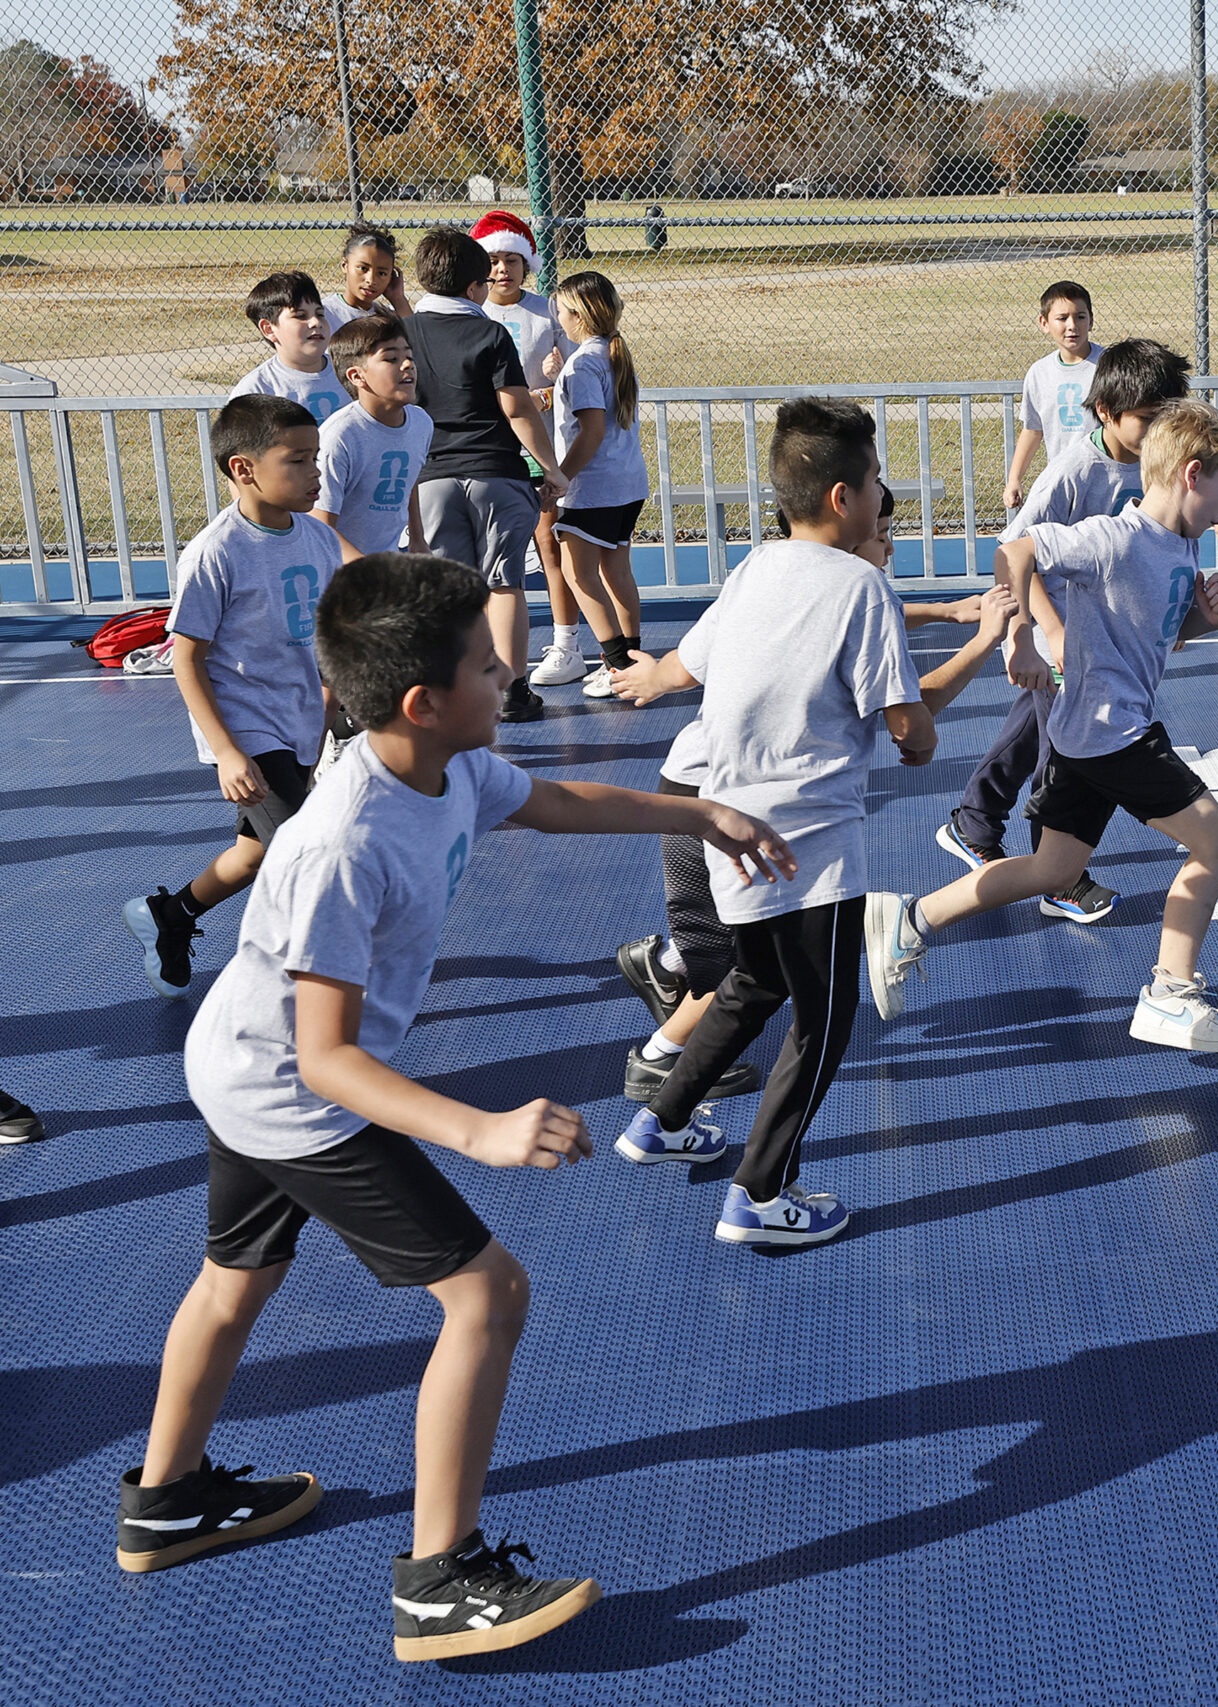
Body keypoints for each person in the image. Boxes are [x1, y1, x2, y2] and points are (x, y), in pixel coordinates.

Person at [115, 551, 792, 1659]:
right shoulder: (343, 842)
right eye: (490, 664)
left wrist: (699, 812)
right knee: (488, 1294)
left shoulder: (447, 767)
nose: (508, 672)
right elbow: (326, 1060)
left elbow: (557, 800)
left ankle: (168, 1500)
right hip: (292, 1092)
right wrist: (477, 1129)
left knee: (235, 1280)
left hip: (237, 1066)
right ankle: (440, 1580)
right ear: (426, 702)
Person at [608, 399, 1010, 1246]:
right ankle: (760, 1194)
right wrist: (933, 715)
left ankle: (664, 1119)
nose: (879, 495)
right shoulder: (861, 586)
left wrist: (649, 675)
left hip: (729, 828)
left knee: (754, 981)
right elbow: (908, 727)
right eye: (873, 482)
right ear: (841, 496)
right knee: (824, 1018)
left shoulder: (757, 567)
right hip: (809, 845)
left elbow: (693, 662)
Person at [875, 398, 1218, 1055]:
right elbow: (1015, 552)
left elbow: (1158, 637)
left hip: (1091, 735)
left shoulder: (1180, 546)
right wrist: (1020, 637)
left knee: (1054, 869)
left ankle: (910, 917)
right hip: (1112, 733)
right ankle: (1170, 993)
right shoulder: (1115, 538)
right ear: (1191, 475)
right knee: (1217, 843)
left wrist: (1203, 620)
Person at [612, 486, 983, 1106]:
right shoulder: (841, 589)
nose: (889, 547)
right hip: (711, 800)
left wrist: (946, 614)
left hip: (721, 793)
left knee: (743, 946)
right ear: (843, 521)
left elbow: (881, 618)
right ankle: (658, 1061)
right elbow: (910, 719)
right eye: (881, 534)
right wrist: (979, 639)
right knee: (744, 963)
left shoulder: (777, 573)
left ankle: (668, 962)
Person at [941, 336, 1211, 926]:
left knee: (1041, 731)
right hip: (1062, 630)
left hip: (1102, 637)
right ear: (1109, 413)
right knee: (1066, 750)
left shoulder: (1155, 469)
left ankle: (975, 820)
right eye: (1149, 418)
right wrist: (1037, 633)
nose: (1161, 428)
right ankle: (1057, 876)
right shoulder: (1074, 471)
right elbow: (1015, 550)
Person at [123, 395, 341, 998]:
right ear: (243, 469)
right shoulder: (215, 551)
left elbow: (323, 630)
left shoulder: (317, 540)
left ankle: (170, 915)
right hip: (247, 729)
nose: (314, 472)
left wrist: (332, 697)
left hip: (297, 720)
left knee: (252, 854)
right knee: (301, 856)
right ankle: (311, 988)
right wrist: (226, 751)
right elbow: (186, 658)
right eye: (296, 460)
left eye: (315, 457)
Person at [401, 227, 570, 725]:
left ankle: (453, 689)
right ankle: (512, 692)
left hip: (431, 476)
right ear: (477, 287)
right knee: (504, 582)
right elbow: (516, 407)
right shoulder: (489, 332)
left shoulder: (403, 335)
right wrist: (553, 469)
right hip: (495, 471)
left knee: (451, 590)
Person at [473, 212, 584, 693]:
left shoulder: (546, 311)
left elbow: (578, 376)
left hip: (539, 446)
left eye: (512, 260)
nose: (502, 270)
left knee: (549, 541)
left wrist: (555, 378)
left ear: (527, 264)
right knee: (491, 552)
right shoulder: (471, 313)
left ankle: (568, 642)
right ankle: (489, 648)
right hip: (489, 447)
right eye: (493, 260)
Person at [541, 271, 651, 700]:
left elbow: (591, 431)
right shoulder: (613, 354)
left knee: (576, 572)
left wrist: (560, 476)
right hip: (627, 481)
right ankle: (632, 656)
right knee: (615, 569)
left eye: (562, 312)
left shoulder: (583, 364)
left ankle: (618, 667)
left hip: (595, 488)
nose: (559, 319)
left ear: (577, 316)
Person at [313, 315, 433, 563]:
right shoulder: (339, 436)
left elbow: (409, 481)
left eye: (409, 355)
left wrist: (418, 538)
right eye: (391, 359)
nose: (407, 364)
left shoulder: (421, 422)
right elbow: (320, 525)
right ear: (357, 376)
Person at [1004, 281, 1108, 511]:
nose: (1072, 325)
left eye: (1080, 317)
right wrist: (1014, 479)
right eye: (1062, 318)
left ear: (1091, 320)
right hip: (1062, 484)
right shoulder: (1039, 373)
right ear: (1044, 323)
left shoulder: (1111, 366)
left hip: (1107, 484)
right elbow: (1033, 429)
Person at [230, 272, 349, 423]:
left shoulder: (351, 372)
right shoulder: (256, 391)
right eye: (300, 316)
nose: (315, 322)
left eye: (320, 314)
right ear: (269, 329)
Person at [318, 224, 411, 331]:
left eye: (382, 273)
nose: (371, 280)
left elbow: (415, 341)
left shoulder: (388, 316)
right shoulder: (323, 313)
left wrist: (398, 298)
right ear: (345, 265)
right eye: (363, 268)